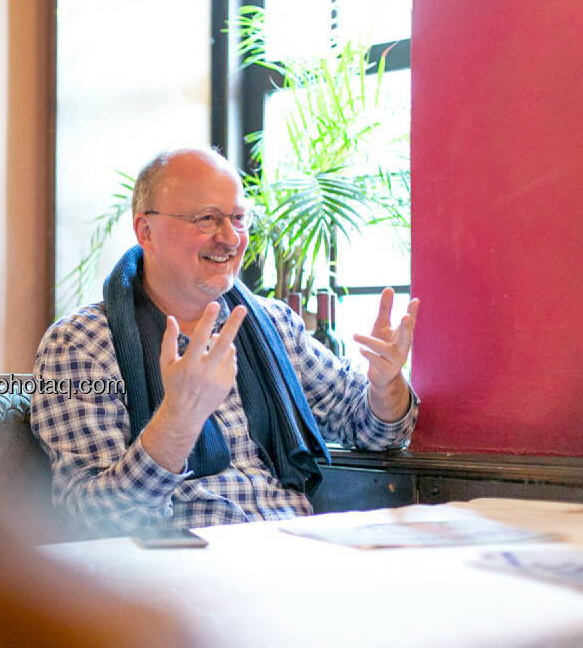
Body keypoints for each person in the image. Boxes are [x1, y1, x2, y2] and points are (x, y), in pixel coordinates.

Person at [31, 147, 419, 535]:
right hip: (178, 575)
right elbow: (92, 517)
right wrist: (178, 417)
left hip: (294, 552)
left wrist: (386, 385)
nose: (230, 237)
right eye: (207, 219)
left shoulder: (271, 323)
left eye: (238, 218)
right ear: (146, 231)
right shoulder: (80, 343)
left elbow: (373, 429)